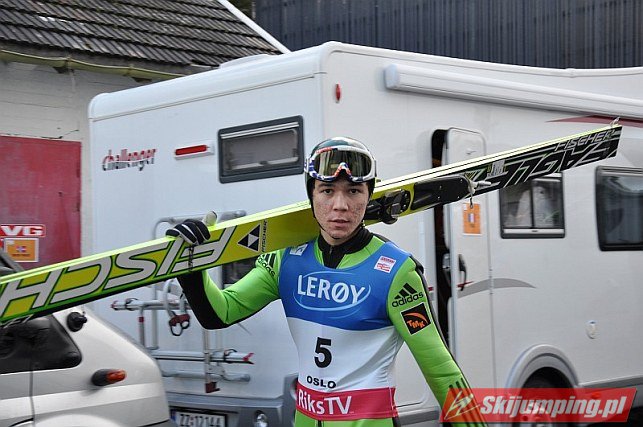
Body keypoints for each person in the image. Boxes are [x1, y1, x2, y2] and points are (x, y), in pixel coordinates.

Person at [168, 137, 486, 426]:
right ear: (311, 194)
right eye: (327, 191)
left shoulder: (395, 271)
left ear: (369, 195)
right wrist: (191, 267)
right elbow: (219, 313)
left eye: (354, 191)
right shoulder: (285, 260)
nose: (340, 206)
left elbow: (440, 369)